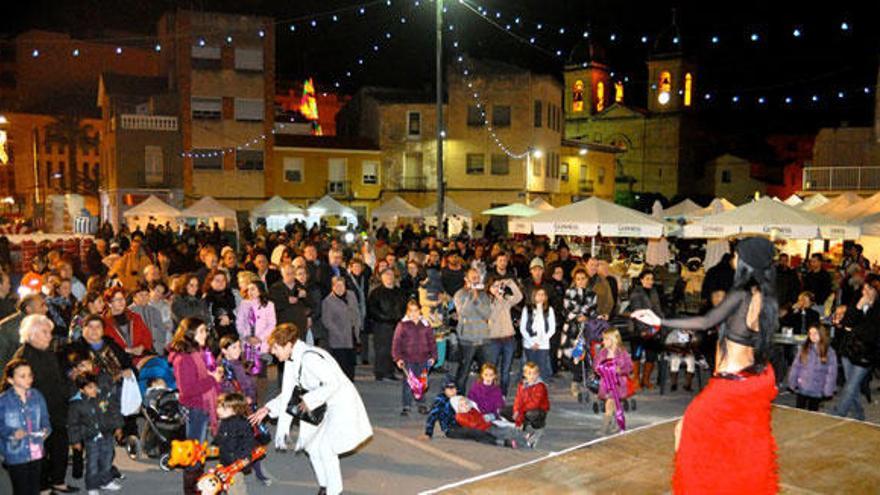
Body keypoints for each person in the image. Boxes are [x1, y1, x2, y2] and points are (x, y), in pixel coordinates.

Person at [632, 237, 779, 494]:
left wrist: (660, 321)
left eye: (736, 254)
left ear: (745, 262)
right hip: (753, 382)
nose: (732, 258)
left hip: (729, 385)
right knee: (735, 448)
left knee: (684, 430)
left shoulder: (742, 293)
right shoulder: (765, 296)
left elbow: (705, 321)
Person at [249, 323, 373, 495]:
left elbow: (333, 383)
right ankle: (324, 486)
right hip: (320, 405)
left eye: (276, 348)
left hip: (339, 404)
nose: (272, 352)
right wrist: (268, 409)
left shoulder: (310, 358)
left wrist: (310, 400)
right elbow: (289, 393)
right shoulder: (293, 358)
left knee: (326, 448)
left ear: (289, 345)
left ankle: (334, 491)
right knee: (312, 446)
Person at [13, 315, 76, 494]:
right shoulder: (23, 356)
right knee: (39, 452)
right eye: (45, 332)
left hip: (55, 409)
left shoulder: (48, 352)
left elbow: (58, 378)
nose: (50, 336)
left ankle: (57, 481)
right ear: (31, 334)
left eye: (50, 332)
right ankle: (43, 487)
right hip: (35, 414)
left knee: (60, 446)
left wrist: (66, 393)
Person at [168, 317, 222, 494]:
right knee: (193, 454)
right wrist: (211, 379)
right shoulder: (184, 359)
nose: (205, 334)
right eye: (201, 331)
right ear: (189, 334)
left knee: (200, 451)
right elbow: (187, 390)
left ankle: (198, 486)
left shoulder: (197, 352)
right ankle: (191, 490)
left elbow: (202, 376)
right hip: (195, 408)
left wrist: (212, 375)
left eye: (205, 330)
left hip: (203, 406)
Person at [0, 358, 51, 495]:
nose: (28, 379)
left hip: (36, 449)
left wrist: (46, 430)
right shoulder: (3, 401)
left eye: (30, 375)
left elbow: (45, 419)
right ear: (11, 380)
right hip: (16, 453)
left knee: (35, 488)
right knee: (21, 489)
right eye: (22, 376)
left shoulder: (38, 396)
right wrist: (12, 433)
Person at [67, 372, 123, 495]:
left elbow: (114, 411)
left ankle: (105, 481)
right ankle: (92, 486)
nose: (94, 390)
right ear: (82, 389)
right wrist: (75, 440)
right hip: (90, 437)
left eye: (95, 386)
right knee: (92, 463)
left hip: (106, 434)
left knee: (107, 459)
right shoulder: (77, 404)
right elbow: (73, 424)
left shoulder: (103, 397)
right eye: (89, 388)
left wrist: (118, 426)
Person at [833, 280, 879, 420]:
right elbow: (845, 323)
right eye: (863, 289)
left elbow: (872, 332)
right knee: (851, 387)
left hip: (866, 354)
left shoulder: (877, 309)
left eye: (868, 289)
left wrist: (853, 330)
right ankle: (859, 415)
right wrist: (858, 307)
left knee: (850, 386)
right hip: (848, 350)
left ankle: (838, 414)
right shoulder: (857, 304)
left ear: (875, 291)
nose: (864, 292)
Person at [391, 300, 437, 416]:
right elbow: (396, 342)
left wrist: (433, 356)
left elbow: (432, 341)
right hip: (408, 359)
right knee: (408, 383)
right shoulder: (402, 325)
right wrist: (397, 358)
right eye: (411, 311)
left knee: (421, 383)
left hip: (423, 358)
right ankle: (406, 405)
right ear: (407, 311)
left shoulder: (425, 324)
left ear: (420, 311)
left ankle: (421, 404)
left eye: (416, 310)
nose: (413, 313)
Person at [453, 268, 492, 393]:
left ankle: (484, 397)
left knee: (485, 372)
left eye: (477, 277)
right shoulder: (460, 294)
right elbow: (463, 313)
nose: (476, 279)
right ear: (466, 279)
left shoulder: (484, 295)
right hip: (467, 339)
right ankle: (459, 398)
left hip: (483, 338)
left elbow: (487, 314)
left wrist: (477, 299)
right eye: (473, 277)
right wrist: (471, 297)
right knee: (463, 371)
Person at [485, 276, 522, 396]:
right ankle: (490, 392)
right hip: (493, 340)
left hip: (509, 338)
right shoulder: (487, 301)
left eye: (498, 286)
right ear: (489, 288)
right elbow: (492, 316)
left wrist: (510, 283)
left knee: (505, 369)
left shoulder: (506, 299)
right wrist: (499, 300)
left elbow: (519, 297)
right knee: (492, 368)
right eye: (493, 286)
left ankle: (503, 393)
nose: (496, 289)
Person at [368, 268, 407, 382]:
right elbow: (372, 310)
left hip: (397, 325)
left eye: (391, 275)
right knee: (382, 350)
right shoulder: (376, 293)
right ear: (382, 277)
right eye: (386, 275)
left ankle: (390, 372)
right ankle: (381, 373)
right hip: (382, 325)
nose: (389, 277)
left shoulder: (399, 291)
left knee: (394, 349)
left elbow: (404, 306)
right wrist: (386, 318)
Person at [628, 270, 664, 391]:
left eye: (652, 279)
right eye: (647, 279)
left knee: (651, 355)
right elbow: (637, 312)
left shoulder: (654, 292)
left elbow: (658, 309)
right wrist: (643, 329)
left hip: (653, 328)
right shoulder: (636, 292)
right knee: (636, 355)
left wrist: (661, 322)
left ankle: (646, 379)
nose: (650, 281)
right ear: (642, 280)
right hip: (638, 329)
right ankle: (636, 379)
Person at [787, 325, 837, 411]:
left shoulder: (829, 352)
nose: (812, 336)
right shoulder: (804, 348)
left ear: (822, 334)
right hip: (802, 385)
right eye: (810, 334)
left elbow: (831, 373)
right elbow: (796, 366)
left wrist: (828, 389)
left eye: (815, 333)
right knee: (799, 410)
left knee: (812, 412)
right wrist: (792, 382)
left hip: (817, 388)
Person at [214, 393, 256, 495]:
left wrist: (245, 457)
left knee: (235, 485)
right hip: (225, 461)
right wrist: (214, 446)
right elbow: (220, 438)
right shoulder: (224, 422)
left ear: (234, 410)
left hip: (237, 462)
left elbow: (248, 441)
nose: (218, 410)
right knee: (229, 485)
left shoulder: (242, 424)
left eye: (223, 408)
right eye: (218, 407)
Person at [594, 328, 633, 435]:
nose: (603, 342)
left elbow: (629, 367)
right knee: (612, 404)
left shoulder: (622, 353)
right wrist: (601, 369)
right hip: (606, 383)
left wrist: (620, 370)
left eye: (606, 339)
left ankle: (605, 427)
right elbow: (596, 366)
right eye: (603, 339)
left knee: (611, 403)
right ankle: (615, 424)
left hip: (618, 383)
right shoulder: (602, 353)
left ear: (613, 339)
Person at [321, 277, 361, 381]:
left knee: (351, 363)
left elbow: (356, 312)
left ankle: (350, 382)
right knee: (341, 364)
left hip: (352, 336)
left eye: (342, 285)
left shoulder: (351, 295)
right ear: (332, 287)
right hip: (338, 338)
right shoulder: (328, 301)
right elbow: (327, 321)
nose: (340, 288)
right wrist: (339, 333)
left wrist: (357, 328)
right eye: (337, 286)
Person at [102, 287, 153, 366]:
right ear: (109, 304)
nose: (121, 302)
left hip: (142, 356)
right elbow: (107, 347)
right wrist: (127, 350)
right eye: (117, 300)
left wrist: (142, 347)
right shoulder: (104, 323)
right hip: (121, 361)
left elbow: (147, 336)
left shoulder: (135, 317)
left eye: (122, 298)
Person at [504, 361, 549, 447]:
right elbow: (518, 399)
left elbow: (534, 404)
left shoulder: (540, 386)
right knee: (504, 411)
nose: (531, 376)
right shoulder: (522, 384)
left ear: (538, 374)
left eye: (534, 374)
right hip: (523, 409)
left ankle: (538, 427)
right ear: (524, 374)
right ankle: (520, 429)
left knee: (531, 413)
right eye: (529, 373)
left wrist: (519, 411)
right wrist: (516, 410)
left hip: (538, 410)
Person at [0, 295, 47, 372]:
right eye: (42, 305)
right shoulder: (11, 328)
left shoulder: (38, 324)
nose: (46, 309)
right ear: (28, 309)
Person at [519, 287, 556, 381]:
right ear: (534, 296)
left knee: (542, 368)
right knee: (530, 369)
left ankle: (540, 389)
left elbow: (552, 329)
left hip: (543, 345)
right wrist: (532, 343)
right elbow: (523, 328)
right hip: (529, 344)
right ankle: (530, 389)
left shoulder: (549, 310)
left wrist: (540, 343)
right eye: (538, 294)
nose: (541, 297)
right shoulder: (527, 309)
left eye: (543, 294)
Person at [203, 269, 238, 340]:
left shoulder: (233, 294)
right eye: (217, 280)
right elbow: (206, 317)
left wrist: (230, 317)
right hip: (215, 334)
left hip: (234, 330)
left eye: (223, 280)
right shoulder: (206, 298)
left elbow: (240, 311)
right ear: (210, 282)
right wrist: (218, 321)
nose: (221, 283)